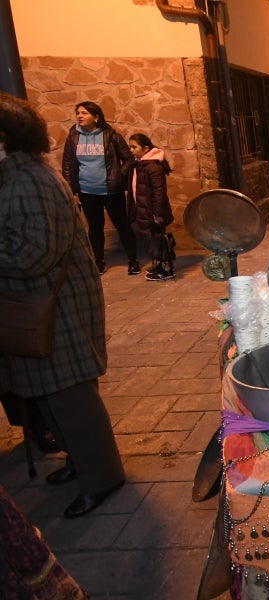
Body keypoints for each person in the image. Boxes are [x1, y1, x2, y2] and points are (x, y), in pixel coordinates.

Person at [0, 92, 125, 519]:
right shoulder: (16, 178)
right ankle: (81, 463)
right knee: (55, 400)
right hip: (48, 307)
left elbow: (33, 253)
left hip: (58, 310)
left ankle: (102, 477)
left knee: (72, 400)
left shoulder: (28, 181)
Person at [61, 101, 139, 276]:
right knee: (95, 228)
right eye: (78, 113)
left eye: (85, 113)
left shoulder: (111, 136)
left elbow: (129, 159)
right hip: (87, 191)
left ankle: (133, 260)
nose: (80, 116)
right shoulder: (73, 137)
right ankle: (99, 261)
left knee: (122, 225)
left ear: (96, 117)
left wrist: (119, 177)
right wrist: (71, 189)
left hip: (111, 190)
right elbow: (67, 164)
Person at [126, 133, 176, 281]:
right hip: (147, 209)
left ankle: (167, 269)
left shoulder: (153, 166)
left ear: (146, 148)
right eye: (130, 147)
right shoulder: (140, 164)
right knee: (156, 238)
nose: (131, 150)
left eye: (134, 147)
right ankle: (161, 265)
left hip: (155, 211)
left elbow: (159, 191)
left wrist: (157, 213)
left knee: (161, 239)